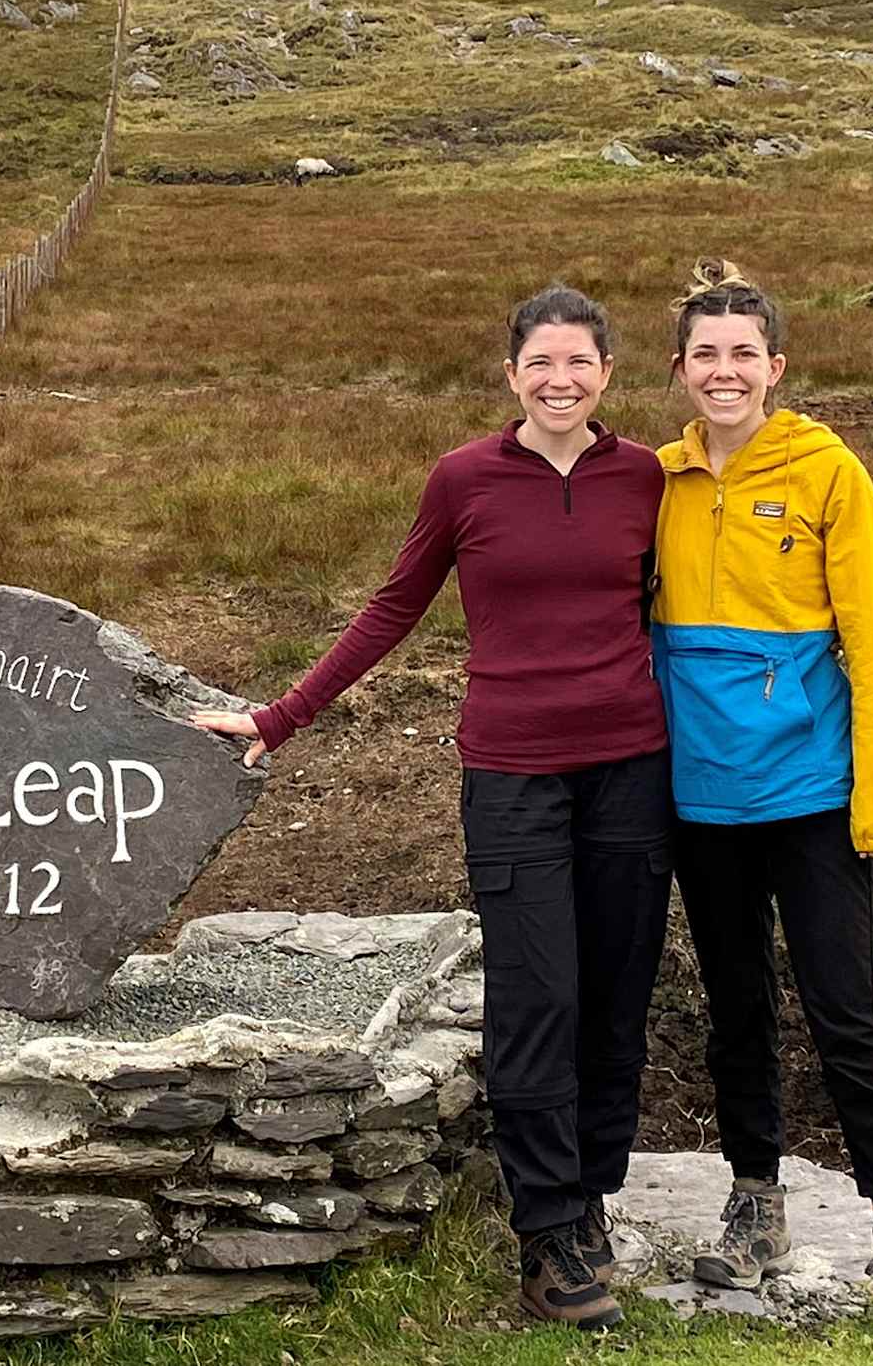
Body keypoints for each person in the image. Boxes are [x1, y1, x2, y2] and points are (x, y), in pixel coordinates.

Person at [195, 285, 669, 1331]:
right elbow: (394, 605)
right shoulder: (463, 480)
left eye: (580, 364)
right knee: (538, 996)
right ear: (511, 375)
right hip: (509, 776)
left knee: (616, 1000)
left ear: (606, 375)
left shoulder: (645, 476)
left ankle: (592, 1195)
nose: (560, 380)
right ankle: (545, 1233)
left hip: (633, 773)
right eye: (540, 363)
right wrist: (284, 715)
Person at [649, 259, 873, 1349]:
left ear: (775, 368)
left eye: (743, 354)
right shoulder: (658, 482)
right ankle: (754, 1202)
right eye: (704, 355)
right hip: (697, 803)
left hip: (814, 797)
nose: (723, 372)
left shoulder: (829, 475)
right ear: (679, 371)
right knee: (734, 1011)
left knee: (847, 1014)